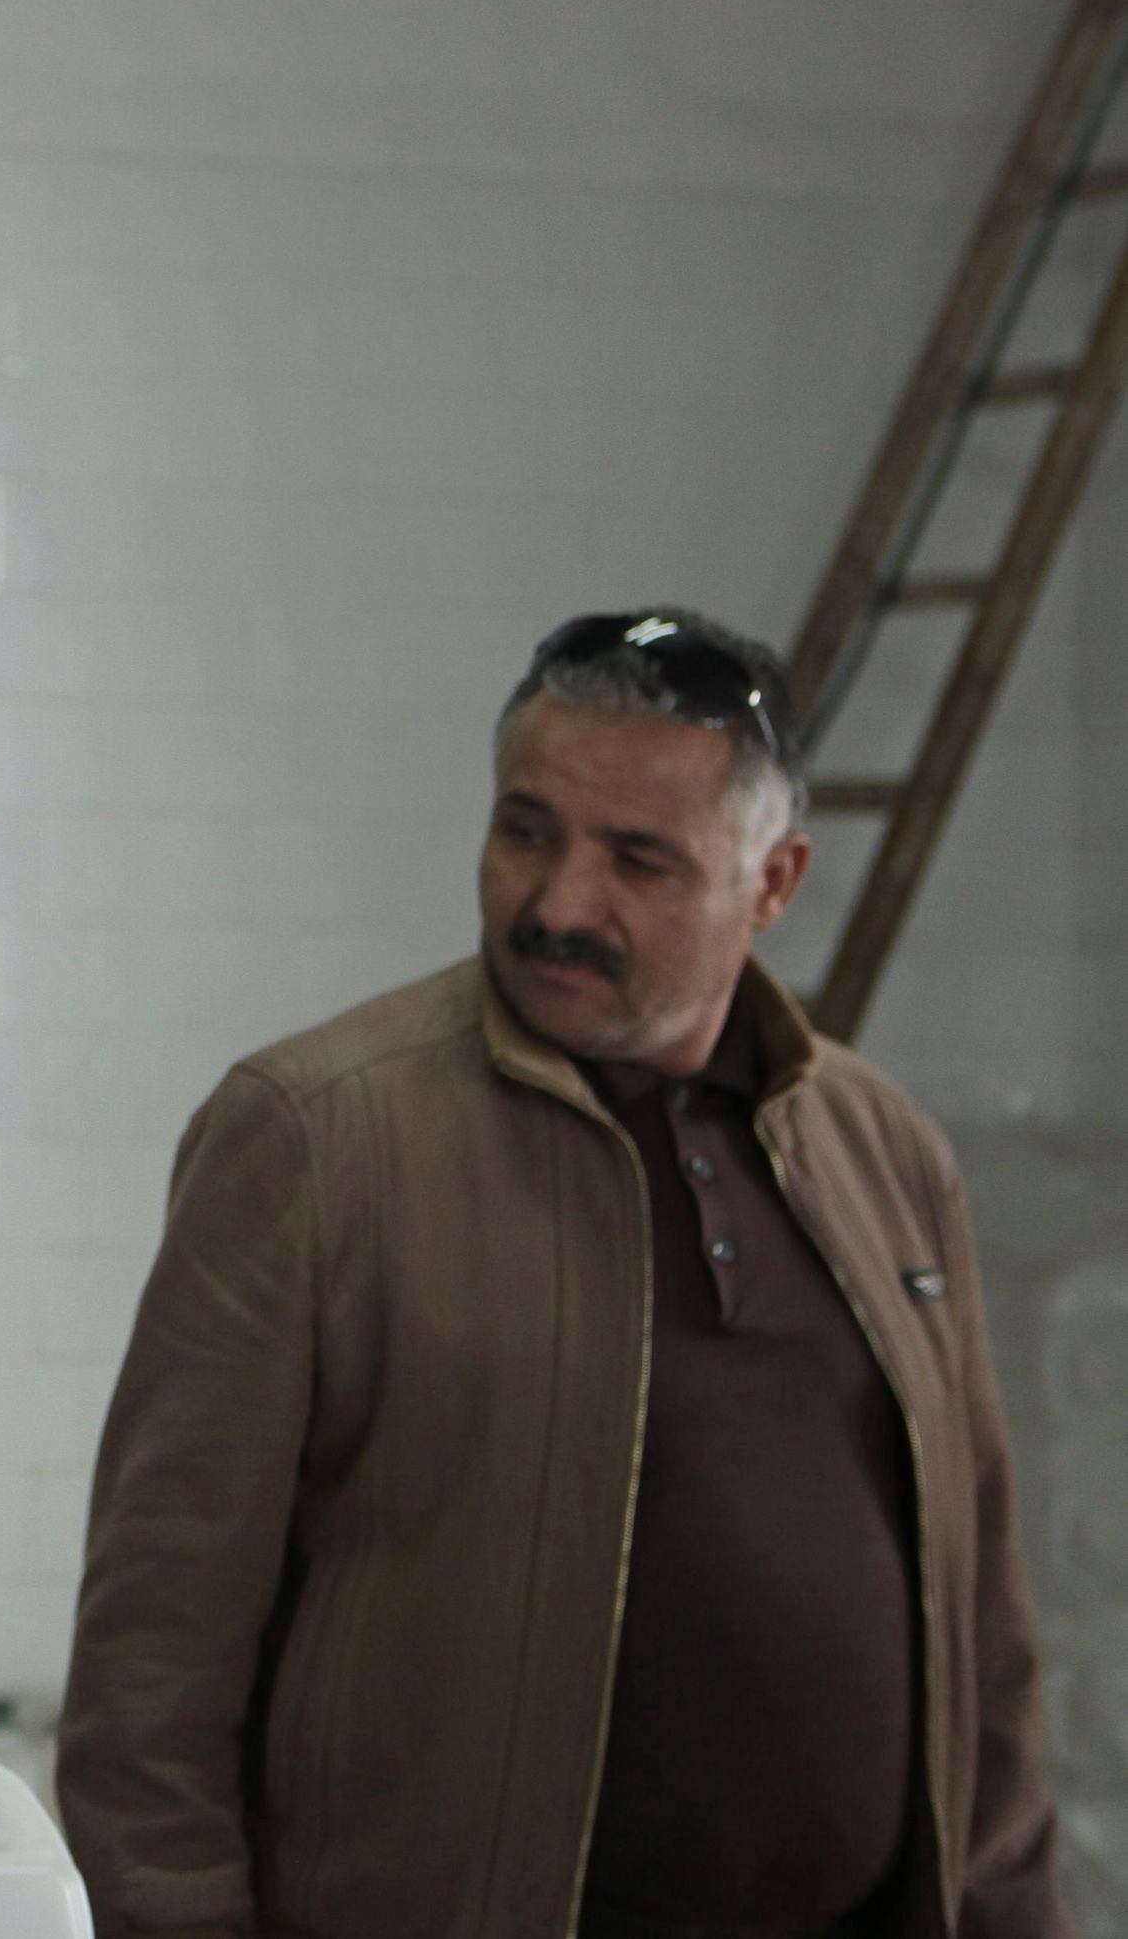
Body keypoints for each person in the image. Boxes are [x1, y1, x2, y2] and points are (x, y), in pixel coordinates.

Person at [57, 611, 1071, 1938]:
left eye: (636, 860)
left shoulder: (884, 1156)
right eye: (524, 830)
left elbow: (978, 1642)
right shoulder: (318, 1137)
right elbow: (151, 1680)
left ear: (771, 882)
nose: (554, 904)